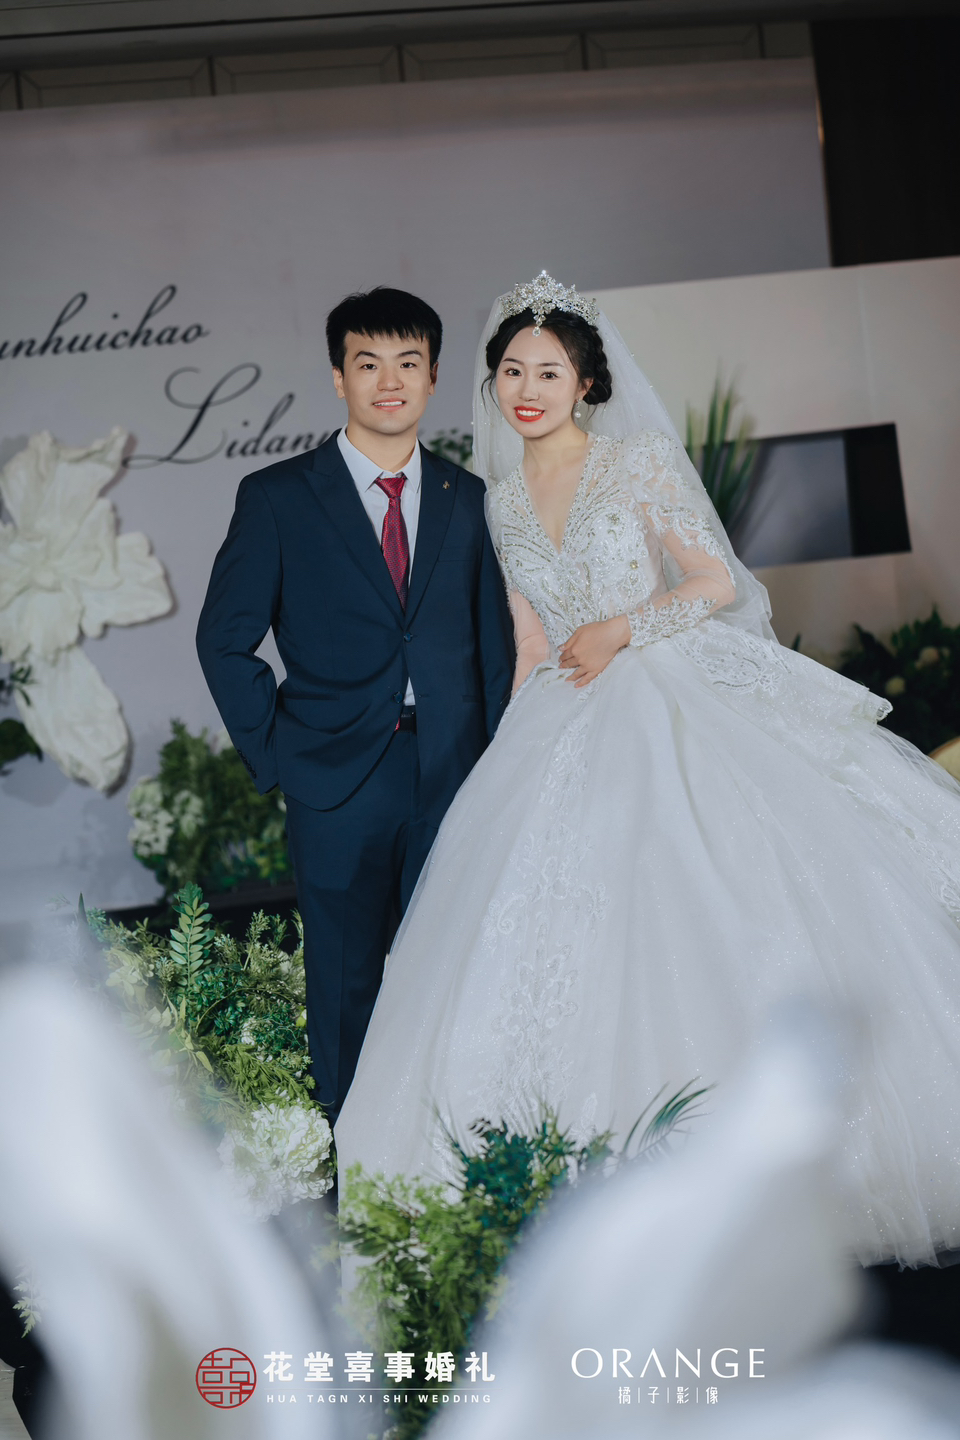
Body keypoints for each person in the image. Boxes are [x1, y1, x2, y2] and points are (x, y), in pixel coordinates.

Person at [335, 272, 960, 1266]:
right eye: (512, 371)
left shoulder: (637, 462)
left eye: (549, 371)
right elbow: (528, 640)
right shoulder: (500, 500)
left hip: (670, 692)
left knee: (703, 892)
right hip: (561, 713)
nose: (527, 388)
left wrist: (623, 628)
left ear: (586, 383)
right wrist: (511, 751)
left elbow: (715, 583)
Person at [196, 287, 515, 1122]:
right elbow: (223, 640)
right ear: (339, 377)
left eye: (409, 363)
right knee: (343, 982)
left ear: (434, 376)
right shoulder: (278, 497)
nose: (390, 381)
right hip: (335, 780)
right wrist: (281, 754)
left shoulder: (469, 498)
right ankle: (355, 1160)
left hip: (453, 772)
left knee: (455, 969)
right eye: (368, 363)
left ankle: (451, 1145)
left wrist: (497, 765)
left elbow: (495, 651)